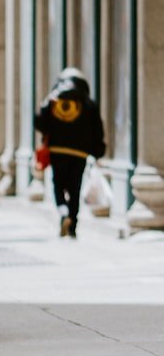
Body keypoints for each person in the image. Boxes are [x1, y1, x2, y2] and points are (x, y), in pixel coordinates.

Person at [34, 67, 106, 239]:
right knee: (75, 189)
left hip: (57, 151)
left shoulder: (53, 101)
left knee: (58, 185)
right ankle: (73, 225)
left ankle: (63, 210)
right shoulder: (89, 104)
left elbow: (39, 123)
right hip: (79, 154)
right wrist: (97, 151)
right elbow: (98, 130)